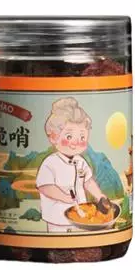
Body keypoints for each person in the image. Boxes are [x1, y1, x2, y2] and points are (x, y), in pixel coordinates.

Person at [36, 97, 108, 232]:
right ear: (53, 137)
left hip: (81, 217)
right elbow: (45, 187)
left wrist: (99, 196)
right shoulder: (50, 163)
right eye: (69, 137)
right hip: (57, 218)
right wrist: (63, 197)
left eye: (82, 137)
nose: (75, 142)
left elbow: (88, 181)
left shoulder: (81, 162)